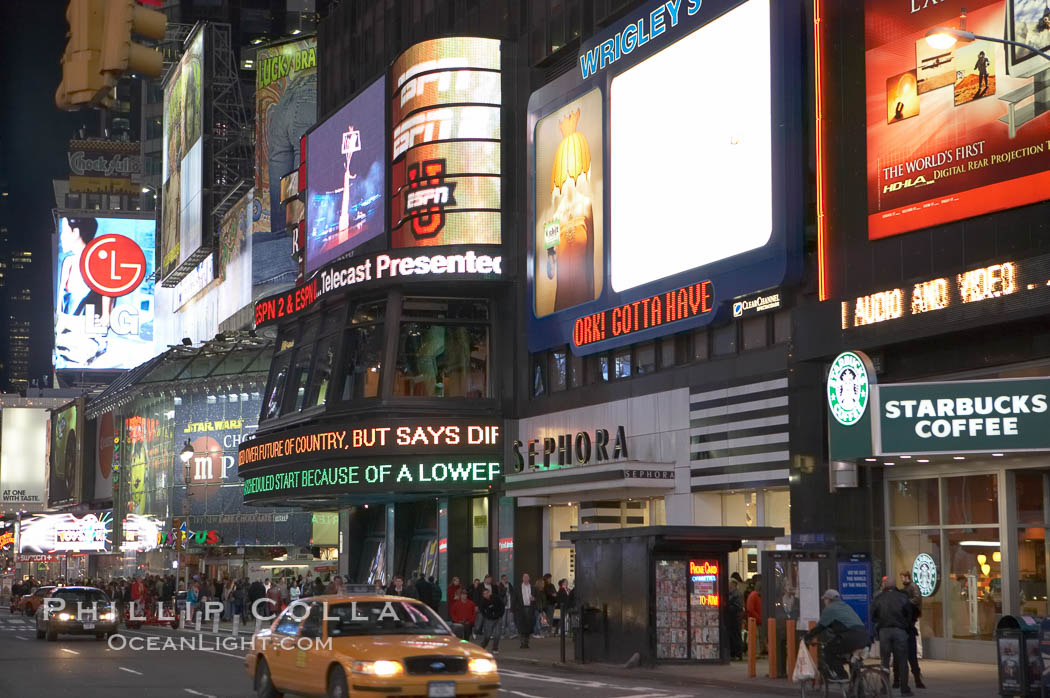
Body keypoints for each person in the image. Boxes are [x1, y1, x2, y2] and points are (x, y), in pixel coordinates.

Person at [804, 589, 869, 683]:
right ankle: (858, 690)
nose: (824, 602)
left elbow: (820, 627)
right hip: (863, 636)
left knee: (828, 651)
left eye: (825, 600)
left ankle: (842, 675)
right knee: (852, 660)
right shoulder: (845, 606)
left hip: (850, 636)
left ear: (829, 600)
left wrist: (808, 636)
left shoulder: (830, 609)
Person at [872, 576, 915, 697]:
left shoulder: (878, 598)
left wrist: (879, 623)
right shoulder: (903, 597)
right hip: (900, 630)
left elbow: (872, 615)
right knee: (902, 660)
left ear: (884, 585)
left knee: (884, 660)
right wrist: (905, 625)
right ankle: (904, 689)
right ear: (895, 585)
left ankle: (884, 687)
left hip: (884, 631)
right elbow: (909, 613)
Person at [899, 570, 925, 689]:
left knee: (913, 648)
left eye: (902, 577)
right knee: (911, 652)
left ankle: (915, 677)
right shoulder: (906, 588)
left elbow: (917, 599)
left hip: (912, 618)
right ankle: (917, 678)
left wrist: (906, 603)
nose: (901, 579)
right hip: (910, 619)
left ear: (907, 577)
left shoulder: (912, 587)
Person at [512, 573, 536, 648]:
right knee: (521, 626)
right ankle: (522, 642)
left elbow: (537, 598)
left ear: (529, 578)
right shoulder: (517, 588)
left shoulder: (533, 588)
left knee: (529, 626)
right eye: (524, 577)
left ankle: (526, 642)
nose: (526, 579)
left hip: (530, 608)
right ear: (522, 578)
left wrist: (534, 599)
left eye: (527, 577)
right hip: (521, 609)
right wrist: (513, 609)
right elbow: (514, 599)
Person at [478, 588, 505, 652]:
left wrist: (500, 615)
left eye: (487, 593)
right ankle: (483, 646)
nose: (486, 595)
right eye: (484, 594)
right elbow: (482, 611)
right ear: (483, 595)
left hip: (498, 618)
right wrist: (487, 616)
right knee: (488, 635)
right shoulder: (482, 602)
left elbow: (502, 606)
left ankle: (495, 648)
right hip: (489, 620)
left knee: (497, 634)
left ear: (489, 593)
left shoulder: (496, 598)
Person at [726, 577, 745, 660]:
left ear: (734, 585)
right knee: (733, 636)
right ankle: (734, 654)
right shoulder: (732, 594)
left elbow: (737, 607)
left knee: (736, 636)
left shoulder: (737, 594)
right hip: (733, 618)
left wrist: (727, 607)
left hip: (735, 618)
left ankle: (737, 654)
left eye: (730, 585)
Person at [746, 574, 763, 653]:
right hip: (755, 620)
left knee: (757, 637)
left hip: (757, 619)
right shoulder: (754, 596)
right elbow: (750, 609)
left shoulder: (755, 596)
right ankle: (755, 652)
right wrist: (758, 618)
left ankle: (757, 651)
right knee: (755, 637)